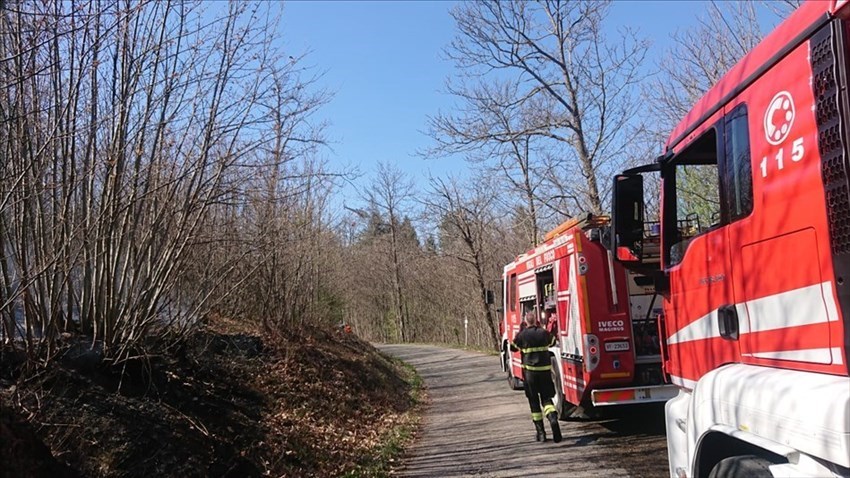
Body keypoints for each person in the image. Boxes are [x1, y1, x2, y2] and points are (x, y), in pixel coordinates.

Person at [510, 309, 562, 443]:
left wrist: (519, 335)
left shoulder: (523, 335)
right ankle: (552, 418)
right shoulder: (543, 333)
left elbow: (513, 347)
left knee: (534, 403)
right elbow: (553, 342)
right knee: (547, 399)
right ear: (536, 321)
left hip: (530, 375)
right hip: (544, 373)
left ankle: (541, 434)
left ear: (526, 322)